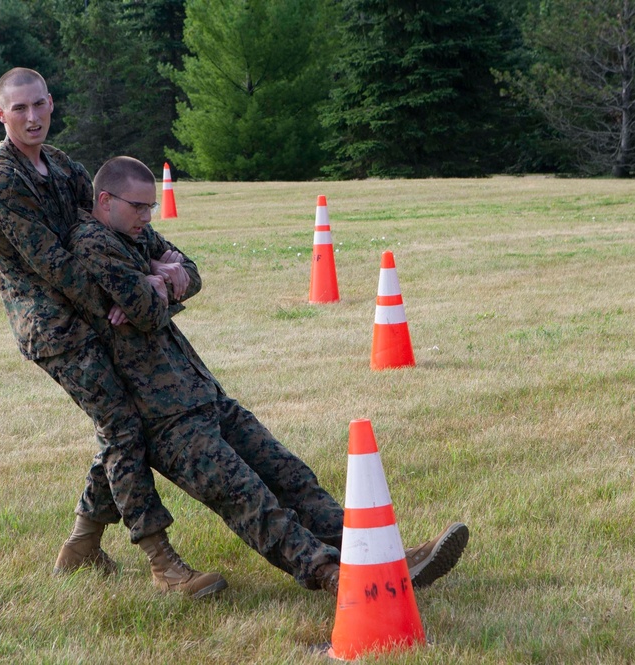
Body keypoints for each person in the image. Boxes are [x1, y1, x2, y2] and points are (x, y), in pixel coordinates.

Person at [67, 156, 470, 595]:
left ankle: (380, 553)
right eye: (138, 207)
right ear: (105, 201)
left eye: (151, 208)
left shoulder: (132, 234)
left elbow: (191, 271)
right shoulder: (92, 243)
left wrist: (159, 280)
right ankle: (332, 574)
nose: (147, 217)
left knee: (290, 475)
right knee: (247, 497)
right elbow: (144, 313)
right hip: (162, 415)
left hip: (199, 391)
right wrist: (160, 280)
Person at [0, 67, 226, 599]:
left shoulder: (63, 166)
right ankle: (162, 562)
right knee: (122, 425)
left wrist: (164, 265)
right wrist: (130, 297)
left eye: (39, 104)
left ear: (51, 103)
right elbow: (54, 265)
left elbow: (118, 226)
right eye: (19, 109)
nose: (32, 116)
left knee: (120, 425)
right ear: (1, 115)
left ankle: (82, 544)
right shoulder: (0, 180)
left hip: (95, 313)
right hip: (56, 328)